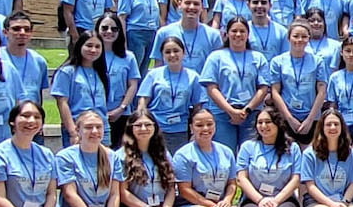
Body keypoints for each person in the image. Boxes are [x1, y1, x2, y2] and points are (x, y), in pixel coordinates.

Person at [202, 18, 268, 152]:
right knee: (225, 153)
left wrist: (246, 110)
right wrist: (231, 111)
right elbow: (212, 88)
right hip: (222, 114)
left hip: (250, 114)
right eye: (234, 31)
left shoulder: (258, 57)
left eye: (242, 31)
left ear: (248, 34)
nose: (238, 34)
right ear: (227, 33)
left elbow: (263, 88)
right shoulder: (215, 57)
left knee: (250, 153)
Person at [138, 36, 200, 155]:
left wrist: (194, 132)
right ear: (162, 55)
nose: (172, 55)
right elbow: (142, 102)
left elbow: (198, 107)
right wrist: (143, 124)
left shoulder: (193, 77)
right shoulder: (153, 75)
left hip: (180, 130)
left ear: (183, 53)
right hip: (155, 128)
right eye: (167, 52)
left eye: (176, 51)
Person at [268, 20, 326, 146]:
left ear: (309, 38)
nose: (300, 40)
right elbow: (275, 91)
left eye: (304, 36)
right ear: (289, 38)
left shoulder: (318, 61)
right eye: (296, 36)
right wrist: (289, 118)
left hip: (311, 117)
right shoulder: (277, 62)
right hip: (287, 116)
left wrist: (310, 119)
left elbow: (322, 91)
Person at [94, 13, 143, 148]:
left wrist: (121, 108)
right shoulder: (92, 54)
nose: (109, 32)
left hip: (121, 114)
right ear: (97, 29)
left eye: (114, 29)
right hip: (96, 113)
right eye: (104, 28)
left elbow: (132, 85)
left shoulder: (128, 57)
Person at [153, 0, 222, 73]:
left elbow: (218, 66)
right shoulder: (164, 33)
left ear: (202, 8)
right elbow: (158, 66)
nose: (192, 7)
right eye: (187, 3)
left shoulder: (213, 35)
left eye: (196, 4)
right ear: (179, 5)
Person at [117, 0, 160, 69]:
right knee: (134, 68)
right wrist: (122, 40)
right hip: (136, 34)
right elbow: (122, 18)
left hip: (151, 33)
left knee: (144, 69)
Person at [2, 13, 49, 105]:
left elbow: (39, 94)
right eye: (16, 29)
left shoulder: (39, 61)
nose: (22, 33)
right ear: (5, 32)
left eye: (27, 30)